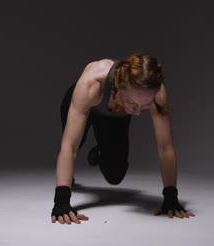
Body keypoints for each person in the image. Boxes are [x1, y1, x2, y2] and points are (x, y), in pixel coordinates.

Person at [51, 53, 195, 224]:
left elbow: (166, 148)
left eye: (145, 106)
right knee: (77, 142)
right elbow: (69, 146)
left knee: (115, 175)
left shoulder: (156, 93)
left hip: (115, 113)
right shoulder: (91, 85)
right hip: (84, 105)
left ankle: (100, 150)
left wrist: (171, 196)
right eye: (132, 103)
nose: (137, 112)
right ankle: (70, 178)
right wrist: (62, 200)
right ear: (119, 87)